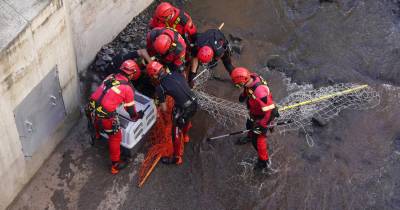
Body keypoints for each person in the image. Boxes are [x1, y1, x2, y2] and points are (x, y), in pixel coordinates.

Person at [86, 60, 144, 174]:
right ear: (132, 74)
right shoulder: (127, 89)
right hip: (105, 114)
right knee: (115, 137)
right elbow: (131, 112)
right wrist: (138, 116)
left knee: (96, 119)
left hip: (90, 106)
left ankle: (96, 135)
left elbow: (106, 94)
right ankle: (115, 165)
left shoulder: (110, 76)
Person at [146, 61, 198, 165]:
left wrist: (160, 105)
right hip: (194, 102)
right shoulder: (176, 73)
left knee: (176, 132)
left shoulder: (160, 87)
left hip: (183, 109)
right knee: (187, 118)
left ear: (154, 75)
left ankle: (176, 158)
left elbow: (164, 108)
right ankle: (186, 136)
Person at [231, 67, 279, 171]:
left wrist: (262, 124)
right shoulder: (251, 77)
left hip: (263, 117)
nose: (237, 86)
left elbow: (272, 112)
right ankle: (249, 136)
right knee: (249, 125)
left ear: (243, 81)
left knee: (258, 139)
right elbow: (248, 89)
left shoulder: (260, 93)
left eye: (238, 84)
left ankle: (264, 161)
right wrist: (243, 95)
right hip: (254, 112)